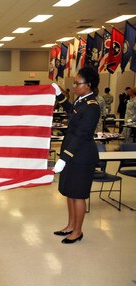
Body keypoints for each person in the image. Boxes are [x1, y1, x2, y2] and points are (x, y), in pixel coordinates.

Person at [52, 66, 101, 244]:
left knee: (78, 194)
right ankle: (70, 225)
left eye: (77, 83)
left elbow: (81, 134)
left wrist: (64, 158)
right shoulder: (81, 101)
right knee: (70, 192)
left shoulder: (92, 107)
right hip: (72, 153)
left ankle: (78, 232)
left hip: (81, 157)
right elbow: (70, 110)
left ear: (88, 85)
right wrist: (59, 95)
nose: (74, 86)